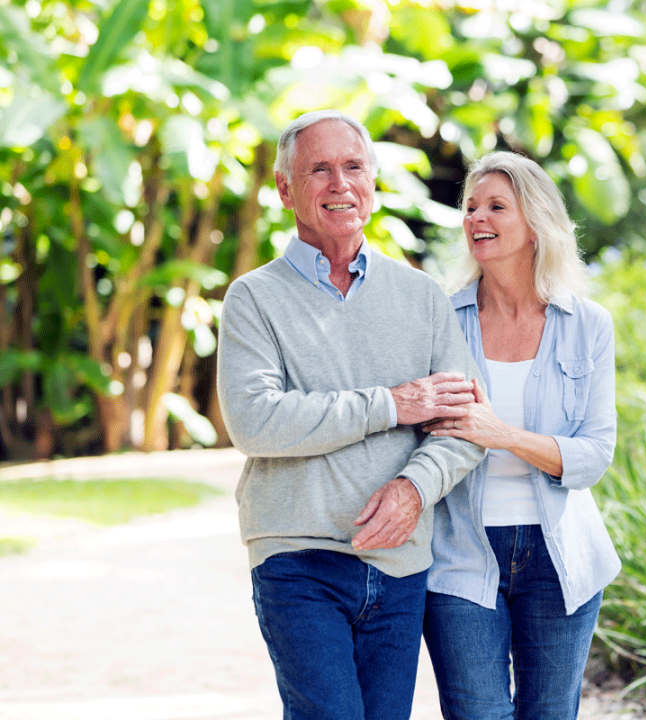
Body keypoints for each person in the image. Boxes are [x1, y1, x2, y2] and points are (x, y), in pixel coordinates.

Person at [215, 109, 486, 720]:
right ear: (286, 190)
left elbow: (462, 425)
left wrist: (414, 490)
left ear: (373, 180)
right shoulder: (254, 299)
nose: (340, 184)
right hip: (297, 557)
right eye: (319, 170)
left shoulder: (420, 296)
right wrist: (394, 403)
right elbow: (257, 421)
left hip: (400, 562)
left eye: (353, 167)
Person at [421, 151, 621, 720]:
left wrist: (502, 434)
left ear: (534, 223)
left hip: (559, 557)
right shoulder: (441, 317)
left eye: (495, 207)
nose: (476, 218)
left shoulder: (586, 324)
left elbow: (593, 455)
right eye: (470, 207)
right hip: (460, 550)